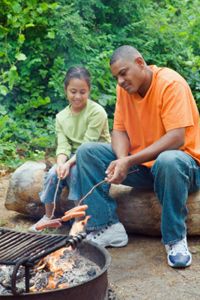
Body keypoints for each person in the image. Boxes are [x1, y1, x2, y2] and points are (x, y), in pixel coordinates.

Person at [76, 45, 200, 268]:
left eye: (123, 73)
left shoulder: (170, 84)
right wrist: (122, 159)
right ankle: (106, 226)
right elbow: (119, 130)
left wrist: (129, 161)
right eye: (116, 77)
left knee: (168, 159)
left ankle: (175, 239)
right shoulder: (124, 90)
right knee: (87, 152)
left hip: (182, 167)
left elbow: (177, 138)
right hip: (144, 166)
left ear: (140, 63)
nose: (120, 81)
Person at [30, 66, 111, 231]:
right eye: (73, 91)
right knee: (53, 174)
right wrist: (61, 163)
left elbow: (88, 144)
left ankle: (79, 219)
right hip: (73, 156)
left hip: (94, 156)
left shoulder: (97, 112)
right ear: (66, 90)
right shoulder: (61, 117)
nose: (77, 96)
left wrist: (69, 165)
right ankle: (48, 216)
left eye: (83, 92)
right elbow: (63, 145)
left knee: (74, 173)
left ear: (89, 91)